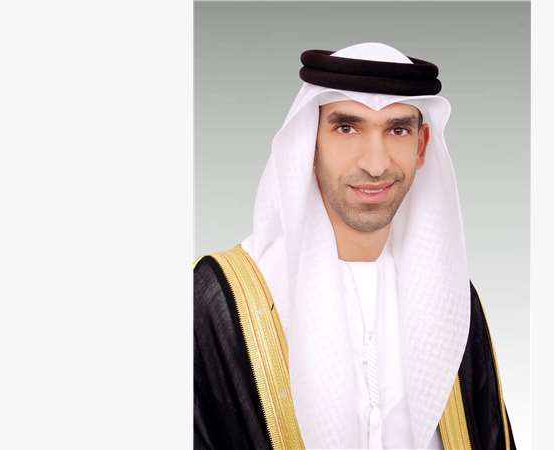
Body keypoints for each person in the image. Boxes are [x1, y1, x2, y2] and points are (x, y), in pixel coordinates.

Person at [194, 42, 516, 450]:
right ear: (309, 143)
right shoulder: (223, 298)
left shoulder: (452, 297)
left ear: (421, 146)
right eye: (347, 128)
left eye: (397, 130)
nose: (375, 164)